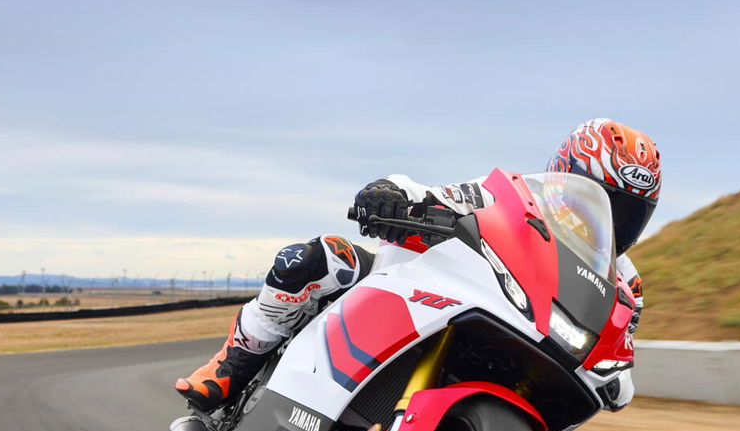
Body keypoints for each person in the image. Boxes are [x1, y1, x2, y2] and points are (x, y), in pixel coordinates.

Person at [175, 118, 663, 413]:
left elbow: (618, 343)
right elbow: (439, 195)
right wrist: (396, 195)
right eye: (602, 201)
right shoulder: (511, 197)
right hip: (420, 285)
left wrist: (616, 376)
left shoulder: (625, 283)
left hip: (515, 342)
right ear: (562, 177)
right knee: (314, 259)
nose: (611, 219)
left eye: (627, 212)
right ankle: (235, 363)